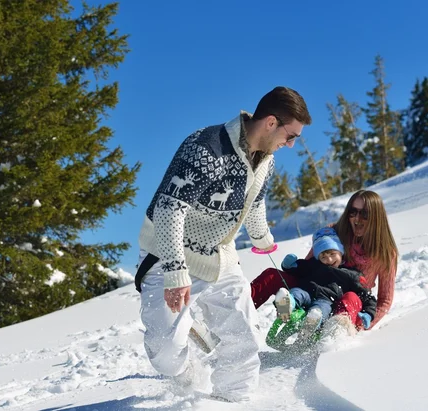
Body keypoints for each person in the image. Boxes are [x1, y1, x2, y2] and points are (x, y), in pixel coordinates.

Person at [134, 86, 312, 402]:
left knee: (243, 336)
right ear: (271, 122)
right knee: (165, 351)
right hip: (169, 254)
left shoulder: (266, 161)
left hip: (219, 255)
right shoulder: (206, 148)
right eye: (291, 135)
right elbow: (168, 209)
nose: (291, 144)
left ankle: (234, 402)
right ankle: (185, 365)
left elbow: (255, 201)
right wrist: (176, 273)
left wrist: (262, 238)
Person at [250, 190, 398, 332]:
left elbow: (384, 301)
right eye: (353, 212)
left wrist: (365, 323)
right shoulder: (333, 232)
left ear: (376, 217)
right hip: (314, 292)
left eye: (364, 214)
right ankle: (240, 311)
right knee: (271, 276)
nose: (357, 218)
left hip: (347, 306)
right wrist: (293, 272)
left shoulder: (386, 253)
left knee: (350, 297)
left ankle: (334, 333)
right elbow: (310, 265)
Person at [273, 227, 377, 344]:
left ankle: (311, 324)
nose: (329, 259)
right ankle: (286, 305)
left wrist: (368, 314)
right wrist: (288, 264)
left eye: (333, 254)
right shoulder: (313, 265)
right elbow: (296, 268)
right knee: (295, 293)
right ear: (318, 258)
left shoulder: (350, 274)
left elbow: (367, 296)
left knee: (320, 310)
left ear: (340, 252)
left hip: (326, 299)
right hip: (306, 291)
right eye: (323, 256)